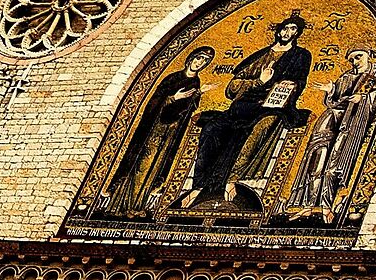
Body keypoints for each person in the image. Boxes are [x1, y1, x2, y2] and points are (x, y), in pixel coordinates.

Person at [188, 13, 311, 207]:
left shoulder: (300, 55)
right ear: (278, 30)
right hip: (242, 107)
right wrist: (259, 81)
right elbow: (232, 88)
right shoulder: (260, 56)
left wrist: (287, 86)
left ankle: (232, 179)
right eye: (285, 28)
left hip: (272, 106)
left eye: (293, 30)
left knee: (260, 127)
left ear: (297, 34)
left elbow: (299, 81)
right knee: (212, 127)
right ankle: (199, 186)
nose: (288, 32)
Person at [99, 46, 215, 216]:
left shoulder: (195, 82)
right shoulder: (173, 78)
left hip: (173, 130)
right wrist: (173, 98)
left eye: (204, 61)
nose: (200, 63)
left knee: (156, 166)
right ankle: (119, 208)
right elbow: (154, 102)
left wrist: (198, 93)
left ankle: (139, 207)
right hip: (155, 127)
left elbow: (188, 107)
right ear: (191, 58)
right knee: (143, 163)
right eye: (199, 58)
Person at [283, 50, 376, 223]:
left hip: (354, 122)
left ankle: (326, 207)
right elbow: (333, 103)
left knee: (334, 165)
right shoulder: (345, 77)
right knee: (316, 160)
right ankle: (308, 206)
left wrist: (362, 98)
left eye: (358, 56)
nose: (355, 61)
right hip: (334, 118)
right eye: (352, 59)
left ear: (368, 55)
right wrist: (331, 91)